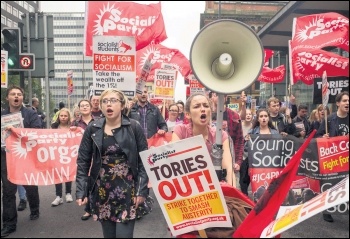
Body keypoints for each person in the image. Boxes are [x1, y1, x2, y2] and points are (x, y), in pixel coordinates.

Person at [76, 89, 151, 238]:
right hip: (102, 191)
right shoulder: (93, 128)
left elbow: (144, 160)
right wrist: (81, 190)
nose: (108, 104)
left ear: (122, 105)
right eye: (105, 101)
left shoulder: (134, 127)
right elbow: (83, 160)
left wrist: (141, 190)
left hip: (128, 190)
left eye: (113, 100)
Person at [1, 86, 42, 238]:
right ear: (8, 98)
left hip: (26, 156)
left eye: (19, 94)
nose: (16, 96)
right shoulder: (2, 115)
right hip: (6, 156)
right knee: (8, 190)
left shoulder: (30, 113)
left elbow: (38, 131)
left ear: (22, 98)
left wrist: (20, 132)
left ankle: (35, 208)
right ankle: (9, 224)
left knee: (30, 185)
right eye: (13, 94)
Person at [172, 93, 234, 186]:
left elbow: (229, 169)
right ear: (188, 114)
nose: (203, 109)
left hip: (213, 190)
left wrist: (234, 196)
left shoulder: (220, 135)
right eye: (197, 106)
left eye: (206, 106)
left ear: (210, 110)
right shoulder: (180, 131)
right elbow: (173, 161)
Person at [316, 91, 349, 223]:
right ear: (337, 103)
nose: (347, 103)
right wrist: (323, 137)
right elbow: (317, 136)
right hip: (333, 158)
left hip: (347, 158)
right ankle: (327, 209)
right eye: (344, 101)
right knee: (331, 183)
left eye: (348, 101)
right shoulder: (329, 119)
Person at [241, 108, 279, 196]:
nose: (263, 118)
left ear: (268, 118)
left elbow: (278, 148)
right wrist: (247, 141)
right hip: (255, 163)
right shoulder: (252, 132)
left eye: (265, 116)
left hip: (270, 163)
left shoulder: (275, 132)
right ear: (258, 119)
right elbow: (246, 149)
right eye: (261, 116)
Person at [209, 91, 244, 179]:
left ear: (226, 97)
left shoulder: (234, 116)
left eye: (223, 95)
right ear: (211, 97)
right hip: (209, 162)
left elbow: (239, 140)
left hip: (230, 161)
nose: (219, 97)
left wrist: (238, 161)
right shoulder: (206, 115)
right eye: (216, 94)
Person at [50, 108, 74, 206]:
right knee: (58, 174)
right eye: (61, 116)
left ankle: (68, 193)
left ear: (68, 117)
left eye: (65, 116)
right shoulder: (54, 127)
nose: (63, 118)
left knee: (68, 172)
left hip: (69, 153)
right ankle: (58, 196)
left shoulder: (72, 127)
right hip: (57, 153)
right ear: (58, 117)